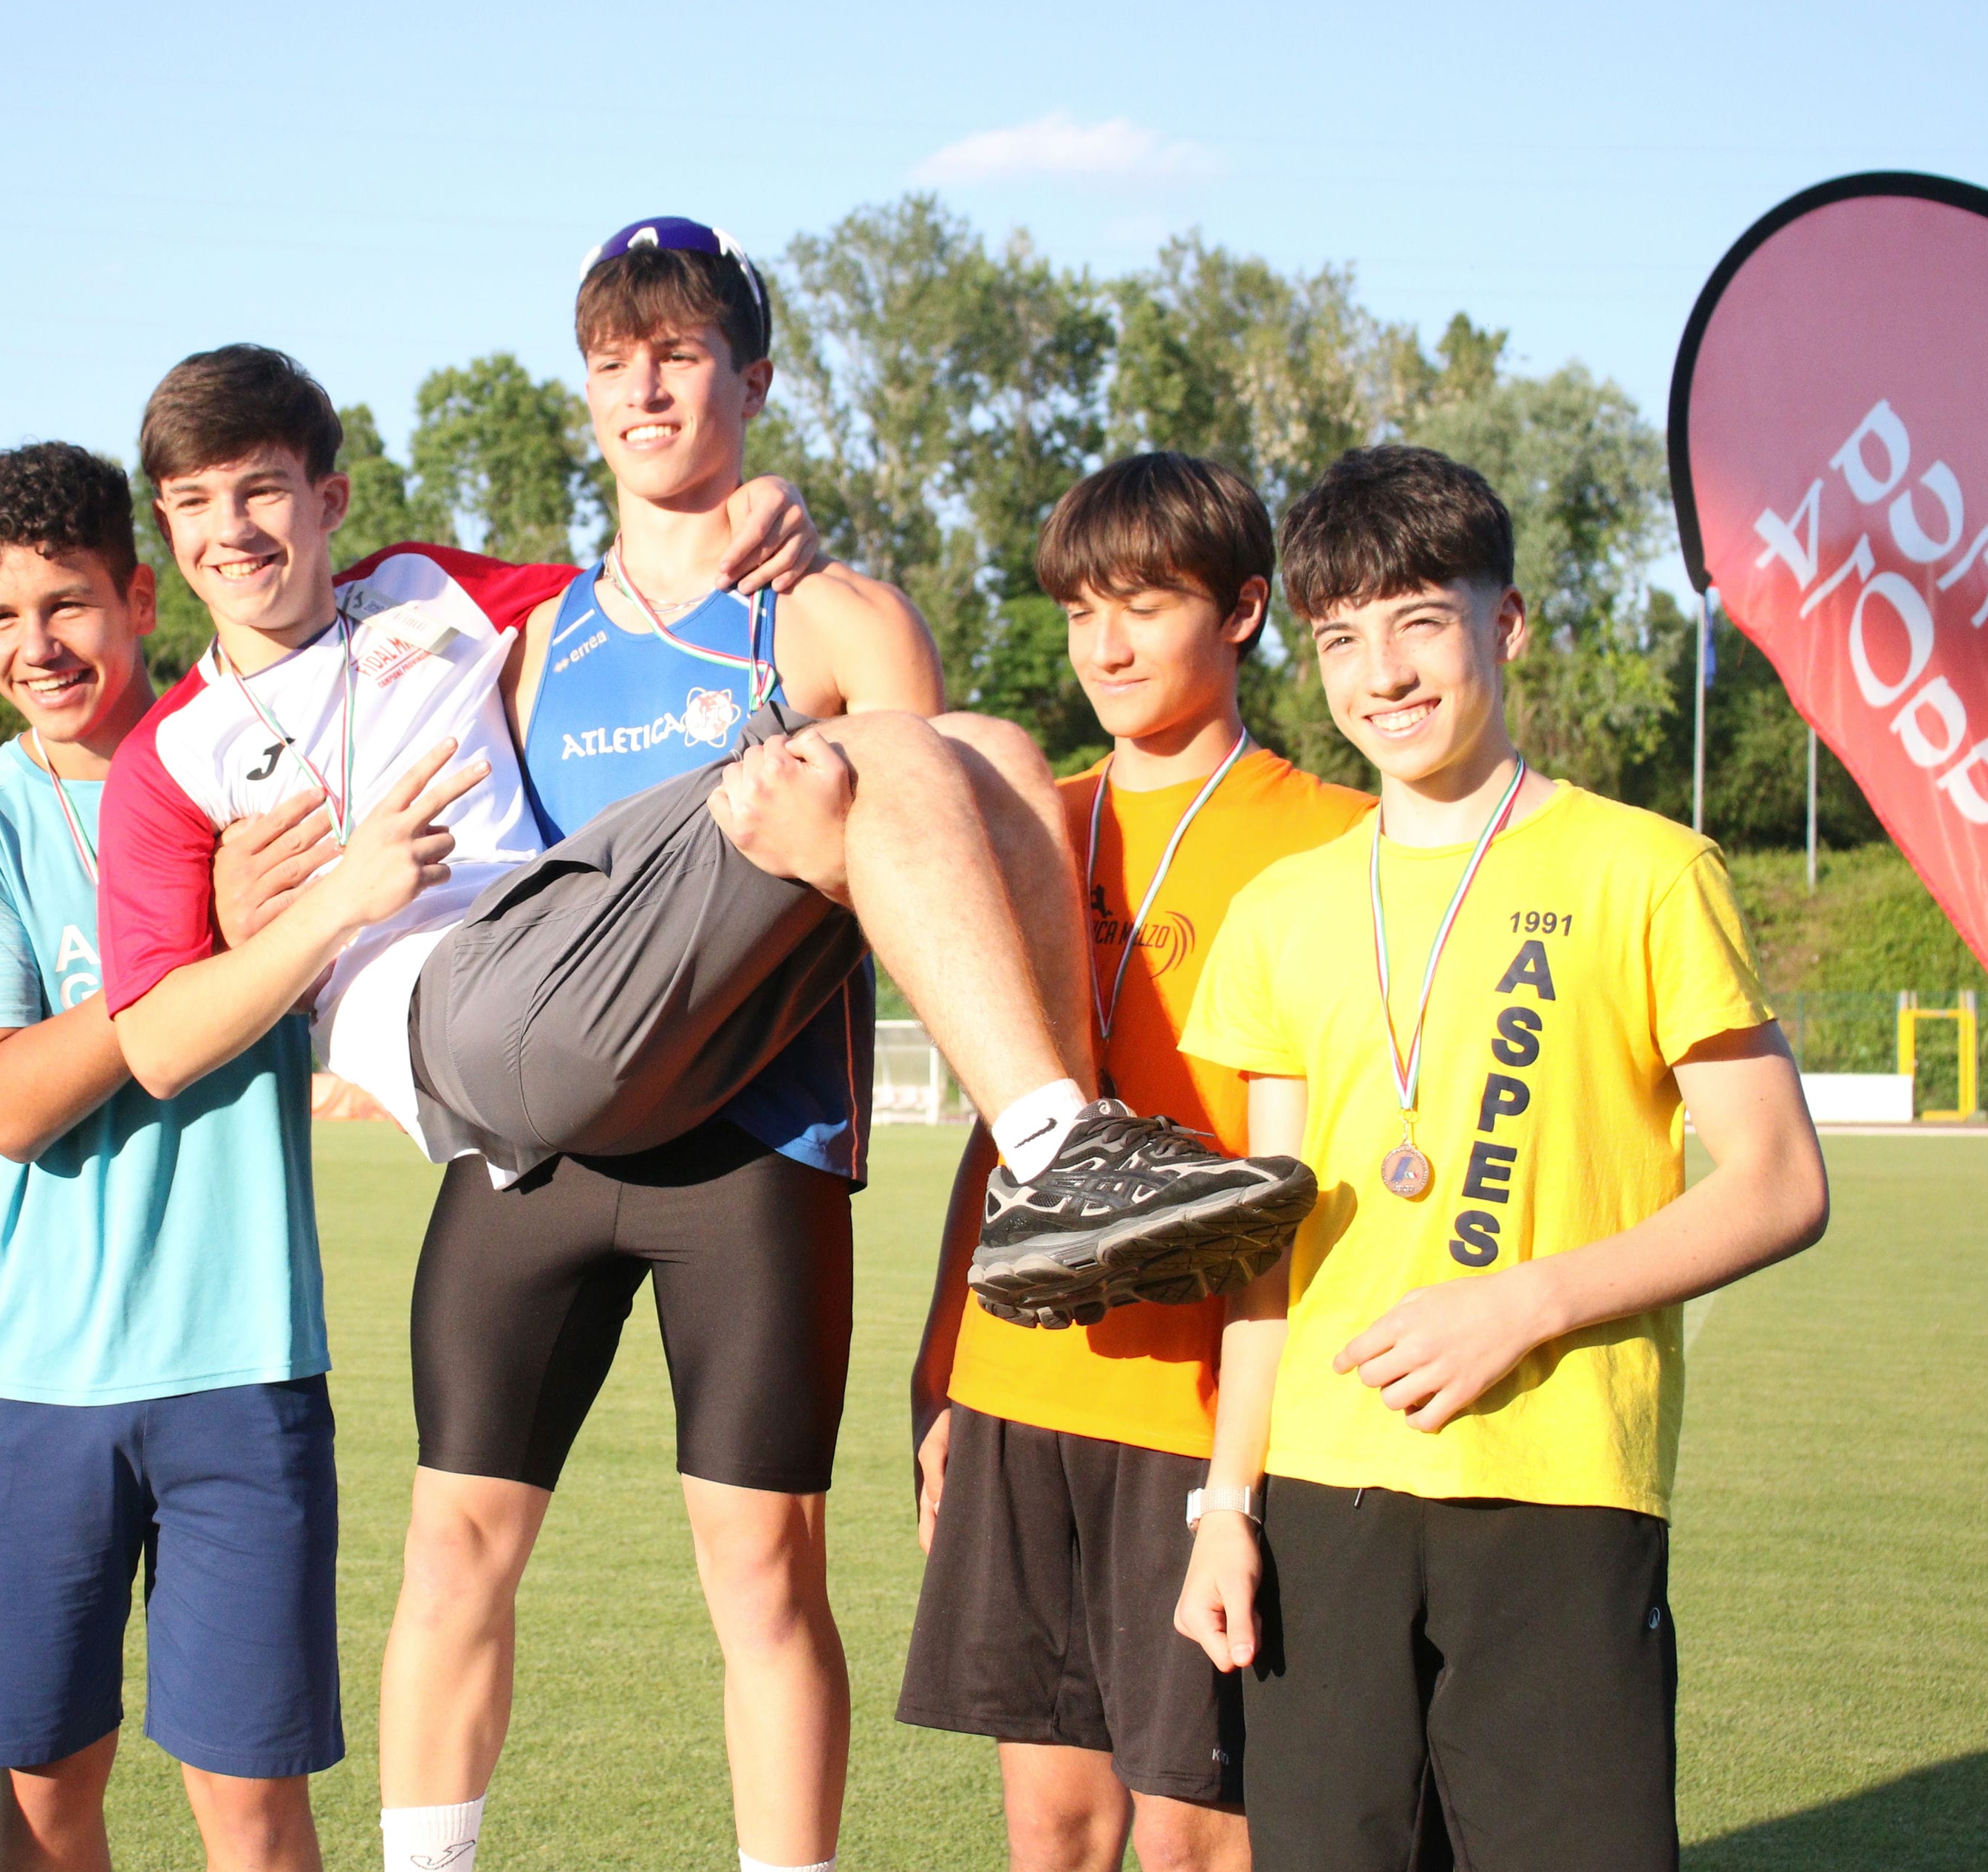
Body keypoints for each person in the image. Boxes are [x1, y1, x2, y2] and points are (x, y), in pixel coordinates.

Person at [328, 219, 1084, 1872]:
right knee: (451, 1542)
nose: (648, 387)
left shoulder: (830, 617)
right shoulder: (526, 643)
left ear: (752, 378)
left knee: (764, 1568)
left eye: (683, 352)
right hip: (550, 1152)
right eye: (617, 357)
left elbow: (927, 856)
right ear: (585, 388)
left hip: (755, 1150)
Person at [93, 344, 1315, 1364]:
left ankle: (1070, 1148)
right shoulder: (168, 758)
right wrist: (333, 906)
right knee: (884, 749)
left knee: (987, 751)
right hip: (462, 1017)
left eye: (260, 491)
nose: (231, 530)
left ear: (330, 500)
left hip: (574, 952)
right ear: (164, 525)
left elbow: (651, 578)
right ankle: (1059, 1157)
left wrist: (760, 503)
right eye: (194, 504)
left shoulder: (430, 590)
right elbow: (153, 1047)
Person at [1172, 445, 1829, 1872]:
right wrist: (1225, 1504)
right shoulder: (1283, 913)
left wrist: (1523, 1304)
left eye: (1419, 622)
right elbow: (1268, 1248)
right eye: (1342, 638)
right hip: (1323, 1493)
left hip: (1555, 1483)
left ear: (1507, 622)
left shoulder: (1647, 870)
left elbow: (1778, 1181)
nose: (1383, 674)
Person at [903, 453, 1370, 1872]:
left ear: (1243, 611)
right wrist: (940, 1379)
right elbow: (1001, 1132)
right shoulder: (1021, 824)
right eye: (1080, 611)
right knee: (1051, 1836)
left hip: (1207, 1406)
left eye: (1148, 603)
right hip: (1021, 1389)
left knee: (1198, 1853)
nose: (1105, 645)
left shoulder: (1334, 838)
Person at [0, 441, 341, 1872]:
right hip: (37, 1381)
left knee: (252, 1799)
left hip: (243, 1361)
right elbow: (10, 1102)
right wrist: (204, 938)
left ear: (143, 595)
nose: (36, 646)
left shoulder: (264, 773)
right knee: (44, 1789)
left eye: (68, 603)